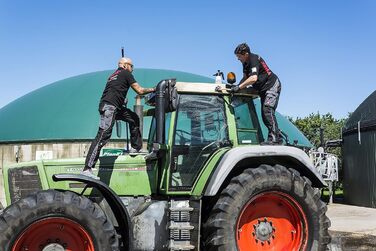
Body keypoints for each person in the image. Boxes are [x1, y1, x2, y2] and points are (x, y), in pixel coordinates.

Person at [82, 57, 155, 178]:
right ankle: (87, 169)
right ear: (126, 65)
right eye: (132, 66)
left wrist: (122, 99)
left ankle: (135, 148)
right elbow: (140, 90)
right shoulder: (125, 73)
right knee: (103, 135)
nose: (132, 69)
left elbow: (114, 90)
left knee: (134, 118)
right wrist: (154, 89)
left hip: (115, 106)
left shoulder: (113, 75)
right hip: (110, 107)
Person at [232, 43, 282, 145]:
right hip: (263, 89)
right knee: (264, 115)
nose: (238, 59)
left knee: (267, 110)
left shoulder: (253, 59)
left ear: (246, 54)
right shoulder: (245, 63)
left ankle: (274, 139)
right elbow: (245, 78)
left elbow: (253, 78)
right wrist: (236, 88)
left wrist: (239, 87)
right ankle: (278, 137)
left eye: (239, 56)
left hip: (271, 85)